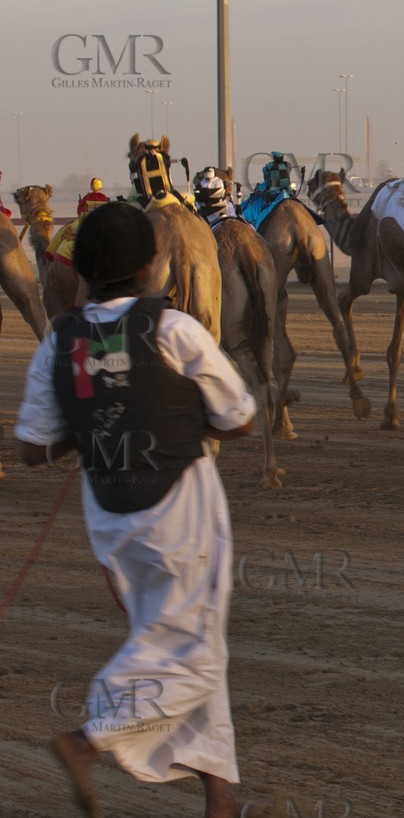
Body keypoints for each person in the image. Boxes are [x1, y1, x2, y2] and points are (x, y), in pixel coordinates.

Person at [15, 201, 258, 816]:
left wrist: (93, 423)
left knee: (180, 638)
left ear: (82, 270)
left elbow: (31, 448)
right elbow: (238, 419)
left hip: (111, 518)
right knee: (192, 646)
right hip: (182, 506)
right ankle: (89, 739)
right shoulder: (174, 329)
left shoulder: (57, 343)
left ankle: (219, 792)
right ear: (152, 265)